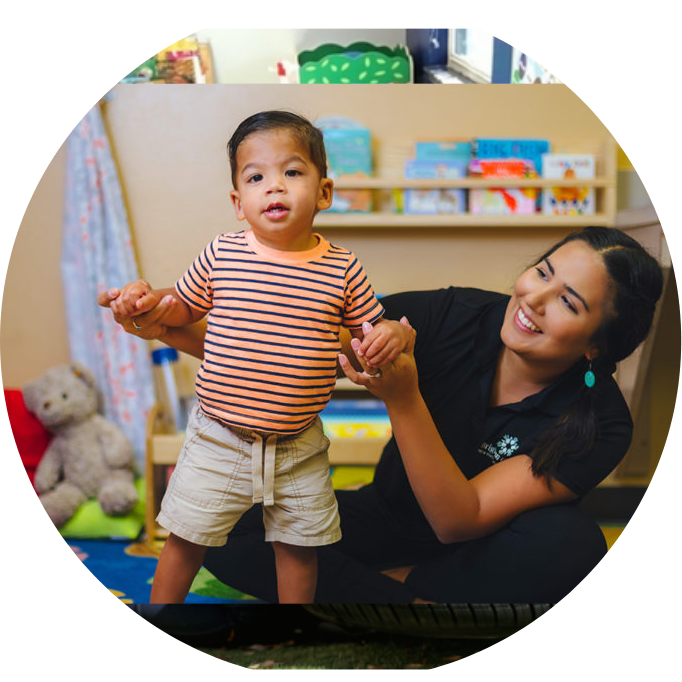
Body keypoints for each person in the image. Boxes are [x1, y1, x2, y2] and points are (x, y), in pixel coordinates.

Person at [102, 225, 663, 604]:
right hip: (384, 518)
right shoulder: (455, 313)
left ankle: (383, 595)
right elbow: (293, 346)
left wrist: (403, 398)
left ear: (598, 346)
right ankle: (408, 605)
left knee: (575, 545)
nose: (534, 300)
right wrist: (165, 324)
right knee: (225, 528)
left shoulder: (601, 423)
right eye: (542, 273)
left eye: (569, 302)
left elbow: (459, 520)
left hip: (475, 553)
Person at [103, 111, 412, 604]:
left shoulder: (342, 269)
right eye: (256, 177)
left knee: (299, 546)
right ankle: (162, 615)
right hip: (219, 436)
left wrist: (392, 334)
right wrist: (142, 301)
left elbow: (368, 332)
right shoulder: (222, 254)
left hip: (299, 444)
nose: (274, 188)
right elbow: (180, 308)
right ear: (238, 202)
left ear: (324, 192)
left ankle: (293, 629)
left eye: (292, 172)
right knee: (186, 536)